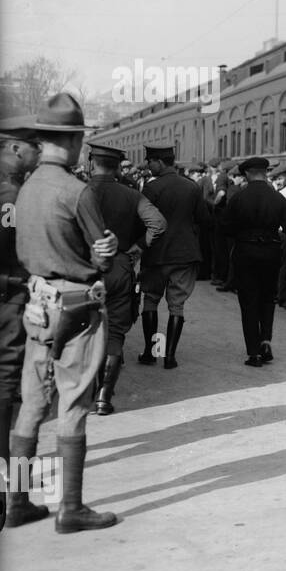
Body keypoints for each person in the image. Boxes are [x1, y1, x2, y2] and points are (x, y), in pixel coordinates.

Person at [9, 92, 119, 533]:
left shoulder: (26, 188)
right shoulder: (77, 191)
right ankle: (70, 509)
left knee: (32, 404)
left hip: (38, 305)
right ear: (73, 141)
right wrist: (105, 252)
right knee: (73, 405)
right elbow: (103, 258)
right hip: (77, 307)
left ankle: (17, 502)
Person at [86, 142, 167, 414]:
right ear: (119, 166)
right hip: (120, 266)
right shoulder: (132, 195)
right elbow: (158, 223)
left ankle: (82, 393)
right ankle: (103, 398)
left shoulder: (77, 192)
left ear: (90, 162)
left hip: (82, 269)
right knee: (116, 333)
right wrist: (138, 248)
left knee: (82, 329)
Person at [0, 113, 41, 531]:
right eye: (32, 147)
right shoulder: (6, 192)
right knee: (6, 392)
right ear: (13, 147)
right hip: (5, 299)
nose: (37, 153)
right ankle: (0, 492)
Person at [222, 156, 286, 365]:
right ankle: (266, 340)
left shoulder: (239, 198)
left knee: (249, 301)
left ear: (247, 174)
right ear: (265, 173)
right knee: (268, 298)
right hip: (271, 252)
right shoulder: (278, 198)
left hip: (245, 252)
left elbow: (225, 227)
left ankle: (253, 352)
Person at [138, 142, 209, 369]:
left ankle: (150, 353)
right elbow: (205, 220)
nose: (148, 166)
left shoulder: (151, 188)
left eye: (150, 161)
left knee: (150, 300)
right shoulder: (191, 187)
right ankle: (169, 357)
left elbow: (141, 222)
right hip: (184, 254)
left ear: (159, 161)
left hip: (156, 254)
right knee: (176, 306)